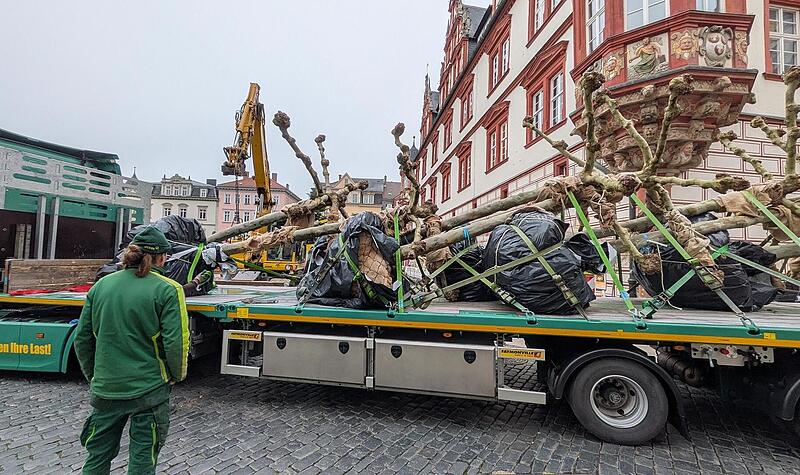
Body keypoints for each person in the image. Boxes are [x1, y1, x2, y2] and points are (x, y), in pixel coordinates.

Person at [74, 227, 193, 475]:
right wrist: (176, 375)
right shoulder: (169, 289)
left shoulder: (101, 286)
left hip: (107, 388)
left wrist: (95, 376)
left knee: (97, 456)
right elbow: (176, 342)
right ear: (161, 258)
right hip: (149, 390)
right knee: (143, 458)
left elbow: (83, 339)